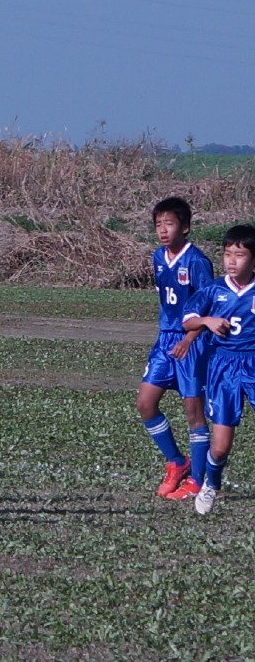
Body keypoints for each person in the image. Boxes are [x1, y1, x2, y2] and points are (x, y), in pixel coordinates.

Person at [136, 197, 213, 500]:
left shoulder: (197, 262)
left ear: (185, 227)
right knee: (145, 403)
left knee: (194, 414)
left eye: (169, 223)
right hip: (165, 341)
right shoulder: (158, 257)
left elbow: (208, 308)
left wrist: (190, 338)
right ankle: (177, 462)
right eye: (158, 225)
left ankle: (197, 481)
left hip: (192, 343)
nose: (163, 230)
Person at [182, 224, 255, 515]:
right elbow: (187, 321)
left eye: (240, 255)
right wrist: (207, 321)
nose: (232, 261)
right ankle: (211, 484)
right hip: (223, 366)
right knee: (221, 446)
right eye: (227, 254)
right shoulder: (214, 289)